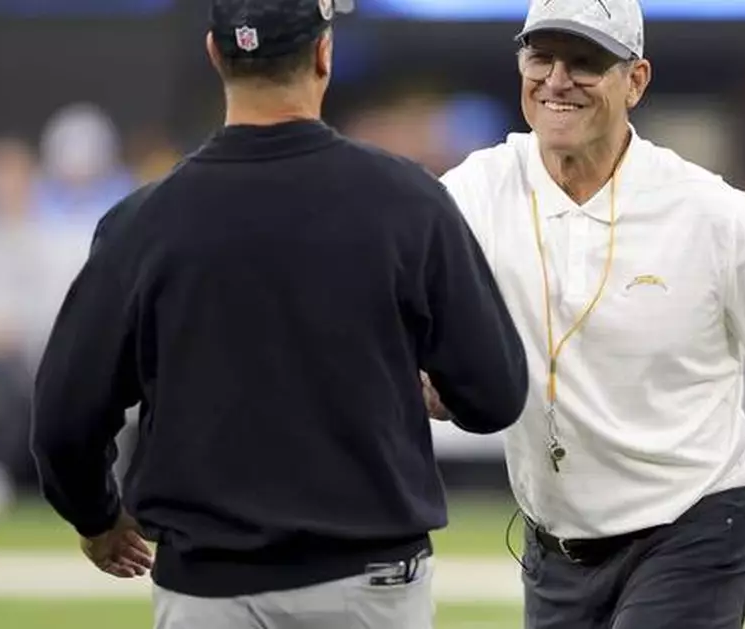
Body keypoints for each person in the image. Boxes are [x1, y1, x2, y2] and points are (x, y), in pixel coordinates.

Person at [29, 1, 529, 628]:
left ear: (216, 54)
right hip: (369, 586)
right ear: (324, 54)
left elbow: (62, 420)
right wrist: (436, 389)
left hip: (207, 589)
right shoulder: (407, 203)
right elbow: (496, 393)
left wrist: (97, 517)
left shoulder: (143, 224)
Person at [427, 0, 745, 627]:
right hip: (556, 545)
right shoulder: (474, 191)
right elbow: (399, 316)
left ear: (636, 80)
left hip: (694, 527)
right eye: (540, 58)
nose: (557, 80)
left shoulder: (708, 211)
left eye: (585, 62)